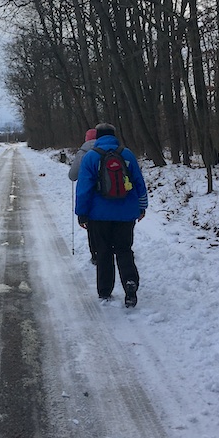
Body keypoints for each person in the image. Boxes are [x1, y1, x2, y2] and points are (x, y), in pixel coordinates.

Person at [75, 123, 148, 307]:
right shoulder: (127, 154)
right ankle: (130, 282)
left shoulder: (91, 157)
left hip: (98, 215)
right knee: (124, 249)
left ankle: (105, 291)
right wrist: (142, 207)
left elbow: (84, 188)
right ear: (114, 135)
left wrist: (82, 213)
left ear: (97, 137)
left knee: (104, 252)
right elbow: (139, 182)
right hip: (125, 214)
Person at [69, 128, 98, 263]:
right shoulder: (112, 150)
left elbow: (73, 176)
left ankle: (96, 255)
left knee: (93, 229)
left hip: (91, 198)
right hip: (113, 195)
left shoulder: (83, 153)